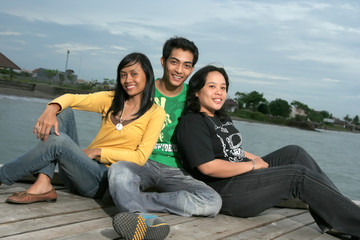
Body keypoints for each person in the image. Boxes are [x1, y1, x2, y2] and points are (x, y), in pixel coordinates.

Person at [176, 65, 360, 239]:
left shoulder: (219, 117)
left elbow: (232, 150)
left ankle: (338, 216)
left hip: (241, 177)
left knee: (294, 153)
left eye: (223, 87)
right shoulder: (192, 122)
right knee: (298, 176)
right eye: (212, 86)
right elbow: (208, 167)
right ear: (196, 91)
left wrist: (255, 159)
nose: (219, 92)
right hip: (224, 192)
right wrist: (253, 165)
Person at [0, 53, 165, 205]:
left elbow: (140, 157)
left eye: (134, 74)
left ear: (147, 75)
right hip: (80, 168)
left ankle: (3, 175)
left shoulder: (155, 113)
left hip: (101, 181)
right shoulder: (110, 99)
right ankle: (43, 182)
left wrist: (97, 152)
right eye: (123, 75)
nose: (128, 80)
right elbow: (71, 98)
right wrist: (51, 108)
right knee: (64, 112)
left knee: (60, 141)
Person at [109, 38, 222, 239]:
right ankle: (138, 219)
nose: (179, 70)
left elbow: (217, 132)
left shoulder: (193, 98)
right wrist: (55, 106)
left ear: (192, 69)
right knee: (119, 171)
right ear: (163, 61)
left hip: (177, 170)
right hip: (142, 161)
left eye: (186, 65)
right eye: (174, 62)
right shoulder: (144, 91)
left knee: (212, 202)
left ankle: (137, 200)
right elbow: (108, 104)